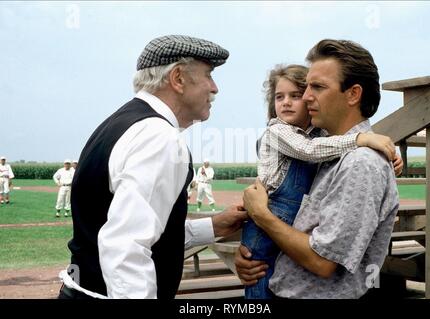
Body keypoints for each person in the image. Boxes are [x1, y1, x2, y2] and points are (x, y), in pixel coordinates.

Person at [58, 35, 247, 299]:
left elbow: (142, 232)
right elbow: (127, 247)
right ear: (178, 78)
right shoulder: (159, 137)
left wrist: (212, 227)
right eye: (208, 75)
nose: (214, 88)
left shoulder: (122, 123)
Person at [236, 39, 401, 299]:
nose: (306, 96)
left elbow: (322, 261)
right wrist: (254, 253)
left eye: (318, 87)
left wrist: (262, 217)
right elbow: (302, 227)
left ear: (353, 94)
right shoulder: (329, 149)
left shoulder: (360, 164)